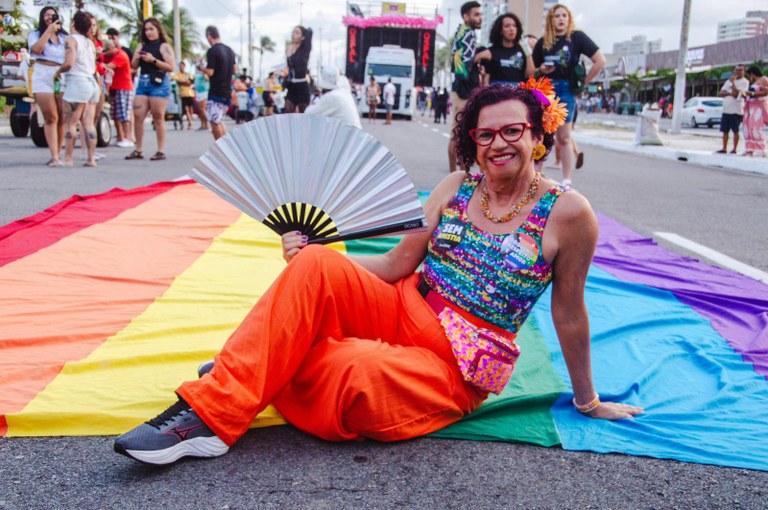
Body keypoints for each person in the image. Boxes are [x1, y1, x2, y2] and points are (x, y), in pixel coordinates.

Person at [113, 79, 643, 466]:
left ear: (538, 135)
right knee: (320, 263)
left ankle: (260, 368)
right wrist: (313, 254)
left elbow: (569, 312)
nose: (498, 144)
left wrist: (588, 400)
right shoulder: (457, 184)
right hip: (406, 305)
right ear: (472, 140)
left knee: (358, 373)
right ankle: (207, 417)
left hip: (458, 364)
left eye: (512, 130)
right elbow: (395, 263)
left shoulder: (570, 214)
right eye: (485, 135)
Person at [533, 3, 605, 187]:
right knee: (542, 134)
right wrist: (540, 69)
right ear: (551, 19)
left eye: (564, 15)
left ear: (569, 18)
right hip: (546, 89)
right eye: (557, 16)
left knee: (564, 137)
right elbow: (531, 70)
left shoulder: (577, 38)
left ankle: (566, 179)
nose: (561, 19)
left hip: (566, 89)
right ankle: (536, 173)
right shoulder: (543, 42)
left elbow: (600, 60)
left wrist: (583, 83)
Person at [53, 10, 99, 167]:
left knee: (70, 123)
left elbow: (69, 63)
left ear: (73, 23)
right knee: (89, 124)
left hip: (77, 82)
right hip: (91, 83)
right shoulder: (90, 42)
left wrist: (57, 72)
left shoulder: (71, 40)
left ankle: (68, 158)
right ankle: (91, 159)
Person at [125, 18, 175, 161]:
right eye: (146, 30)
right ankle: (138, 149)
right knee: (138, 115)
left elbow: (170, 67)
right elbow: (133, 66)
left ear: (158, 29)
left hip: (158, 80)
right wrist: (137, 56)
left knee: (158, 116)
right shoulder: (142, 45)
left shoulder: (163, 46)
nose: (148, 32)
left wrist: (153, 60)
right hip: (143, 80)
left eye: (151, 29)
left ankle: (160, 150)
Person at [27, 5, 67, 167]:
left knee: (62, 117)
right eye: (46, 15)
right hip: (43, 73)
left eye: (52, 15)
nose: (49, 17)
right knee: (51, 117)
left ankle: (59, 151)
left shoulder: (65, 37)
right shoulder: (35, 34)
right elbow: (36, 49)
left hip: (61, 75)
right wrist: (48, 31)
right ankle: (54, 155)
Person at [448, 1, 483, 172]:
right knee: (459, 134)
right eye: (476, 14)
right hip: (464, 89)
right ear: (466, 16)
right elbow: (462, 63)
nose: (480, 18)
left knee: (459, 134)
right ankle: (459, 176)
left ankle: (459, 175)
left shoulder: (463, 32)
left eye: (480, 14)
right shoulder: (467, 33)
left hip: (464, 87)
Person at [197, 25, 236, 140]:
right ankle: (227, 146)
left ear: (209, 36)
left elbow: (210, 72)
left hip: (216, 91)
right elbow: (235, 70)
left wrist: (201, 68)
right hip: (227, 90)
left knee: (214, 121)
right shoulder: (230, 50)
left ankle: (221, 148)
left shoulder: (212, 51)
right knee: (219, 119)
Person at [475, 13, 534, 86]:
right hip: (497, 91)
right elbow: (486, 79)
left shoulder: (523, 50)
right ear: (500, 31)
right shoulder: (491, 51)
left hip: (517, 92)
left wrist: (528, 54)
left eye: (514, 26)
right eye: (507, 26)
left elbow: (530, 75)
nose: (511, 29)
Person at [103, 39, 134, 148]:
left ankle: (128, 138)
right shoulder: (108, 56)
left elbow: (109, 66)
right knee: (115, 114)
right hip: (114, 88)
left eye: (107, 50)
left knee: (124, 114)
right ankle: (120, 137)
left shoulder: (121, 55)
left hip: (123, 88)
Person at [717, 65, 749, 154]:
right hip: (726, 110)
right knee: (724, 130)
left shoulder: (744, 82)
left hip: (736, 110)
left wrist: (733, 85)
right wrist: (730, 92)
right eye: (736, 70)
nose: (737, 72)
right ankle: (724, 148)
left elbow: (737, 94)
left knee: (735, 130)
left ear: (743, 72)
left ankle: (734, 149)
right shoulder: (728, 81)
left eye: (740, 70)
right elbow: (721, 93)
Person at [284, 26, 313, 113]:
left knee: (302, 114)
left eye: (297, 33)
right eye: (293, 32)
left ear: (303, 37)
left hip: (302, 85)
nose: (293, 34)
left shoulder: (305, 49)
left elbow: (310, 31)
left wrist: (304, 33)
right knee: (288, 112)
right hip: (292, 85)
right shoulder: (289, 47)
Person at [742, 66, 768, 158]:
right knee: (747, 128)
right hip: (750, 106)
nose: (749, 77)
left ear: (752, 74)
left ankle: (761, 149)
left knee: (755, 128)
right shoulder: (753, 82)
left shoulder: (764, 79)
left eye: (749, 75)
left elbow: (766, 92)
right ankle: (750, 148)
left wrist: (752, 93)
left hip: (759, 107)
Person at [172, 61, 196, 130]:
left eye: (182, 66)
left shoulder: (188, 74)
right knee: (186, 109)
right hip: (183, 94)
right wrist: (184, 82)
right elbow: (178, 80)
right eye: (180, 66)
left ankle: (190, 122)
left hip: (190, 93)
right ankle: (190, 123)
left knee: (191, 109)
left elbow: (189, 82)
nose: (181, 67)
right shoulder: (177, 74)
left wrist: (184, 82)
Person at [193, 60, 210, 130]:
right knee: (200, 110)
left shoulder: (205, 73)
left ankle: (206, 124)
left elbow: (206, 79)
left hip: (204, 92)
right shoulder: (196, 73)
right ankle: (202, 124)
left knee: (203, 109)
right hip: (198, 92)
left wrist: (203, 72)